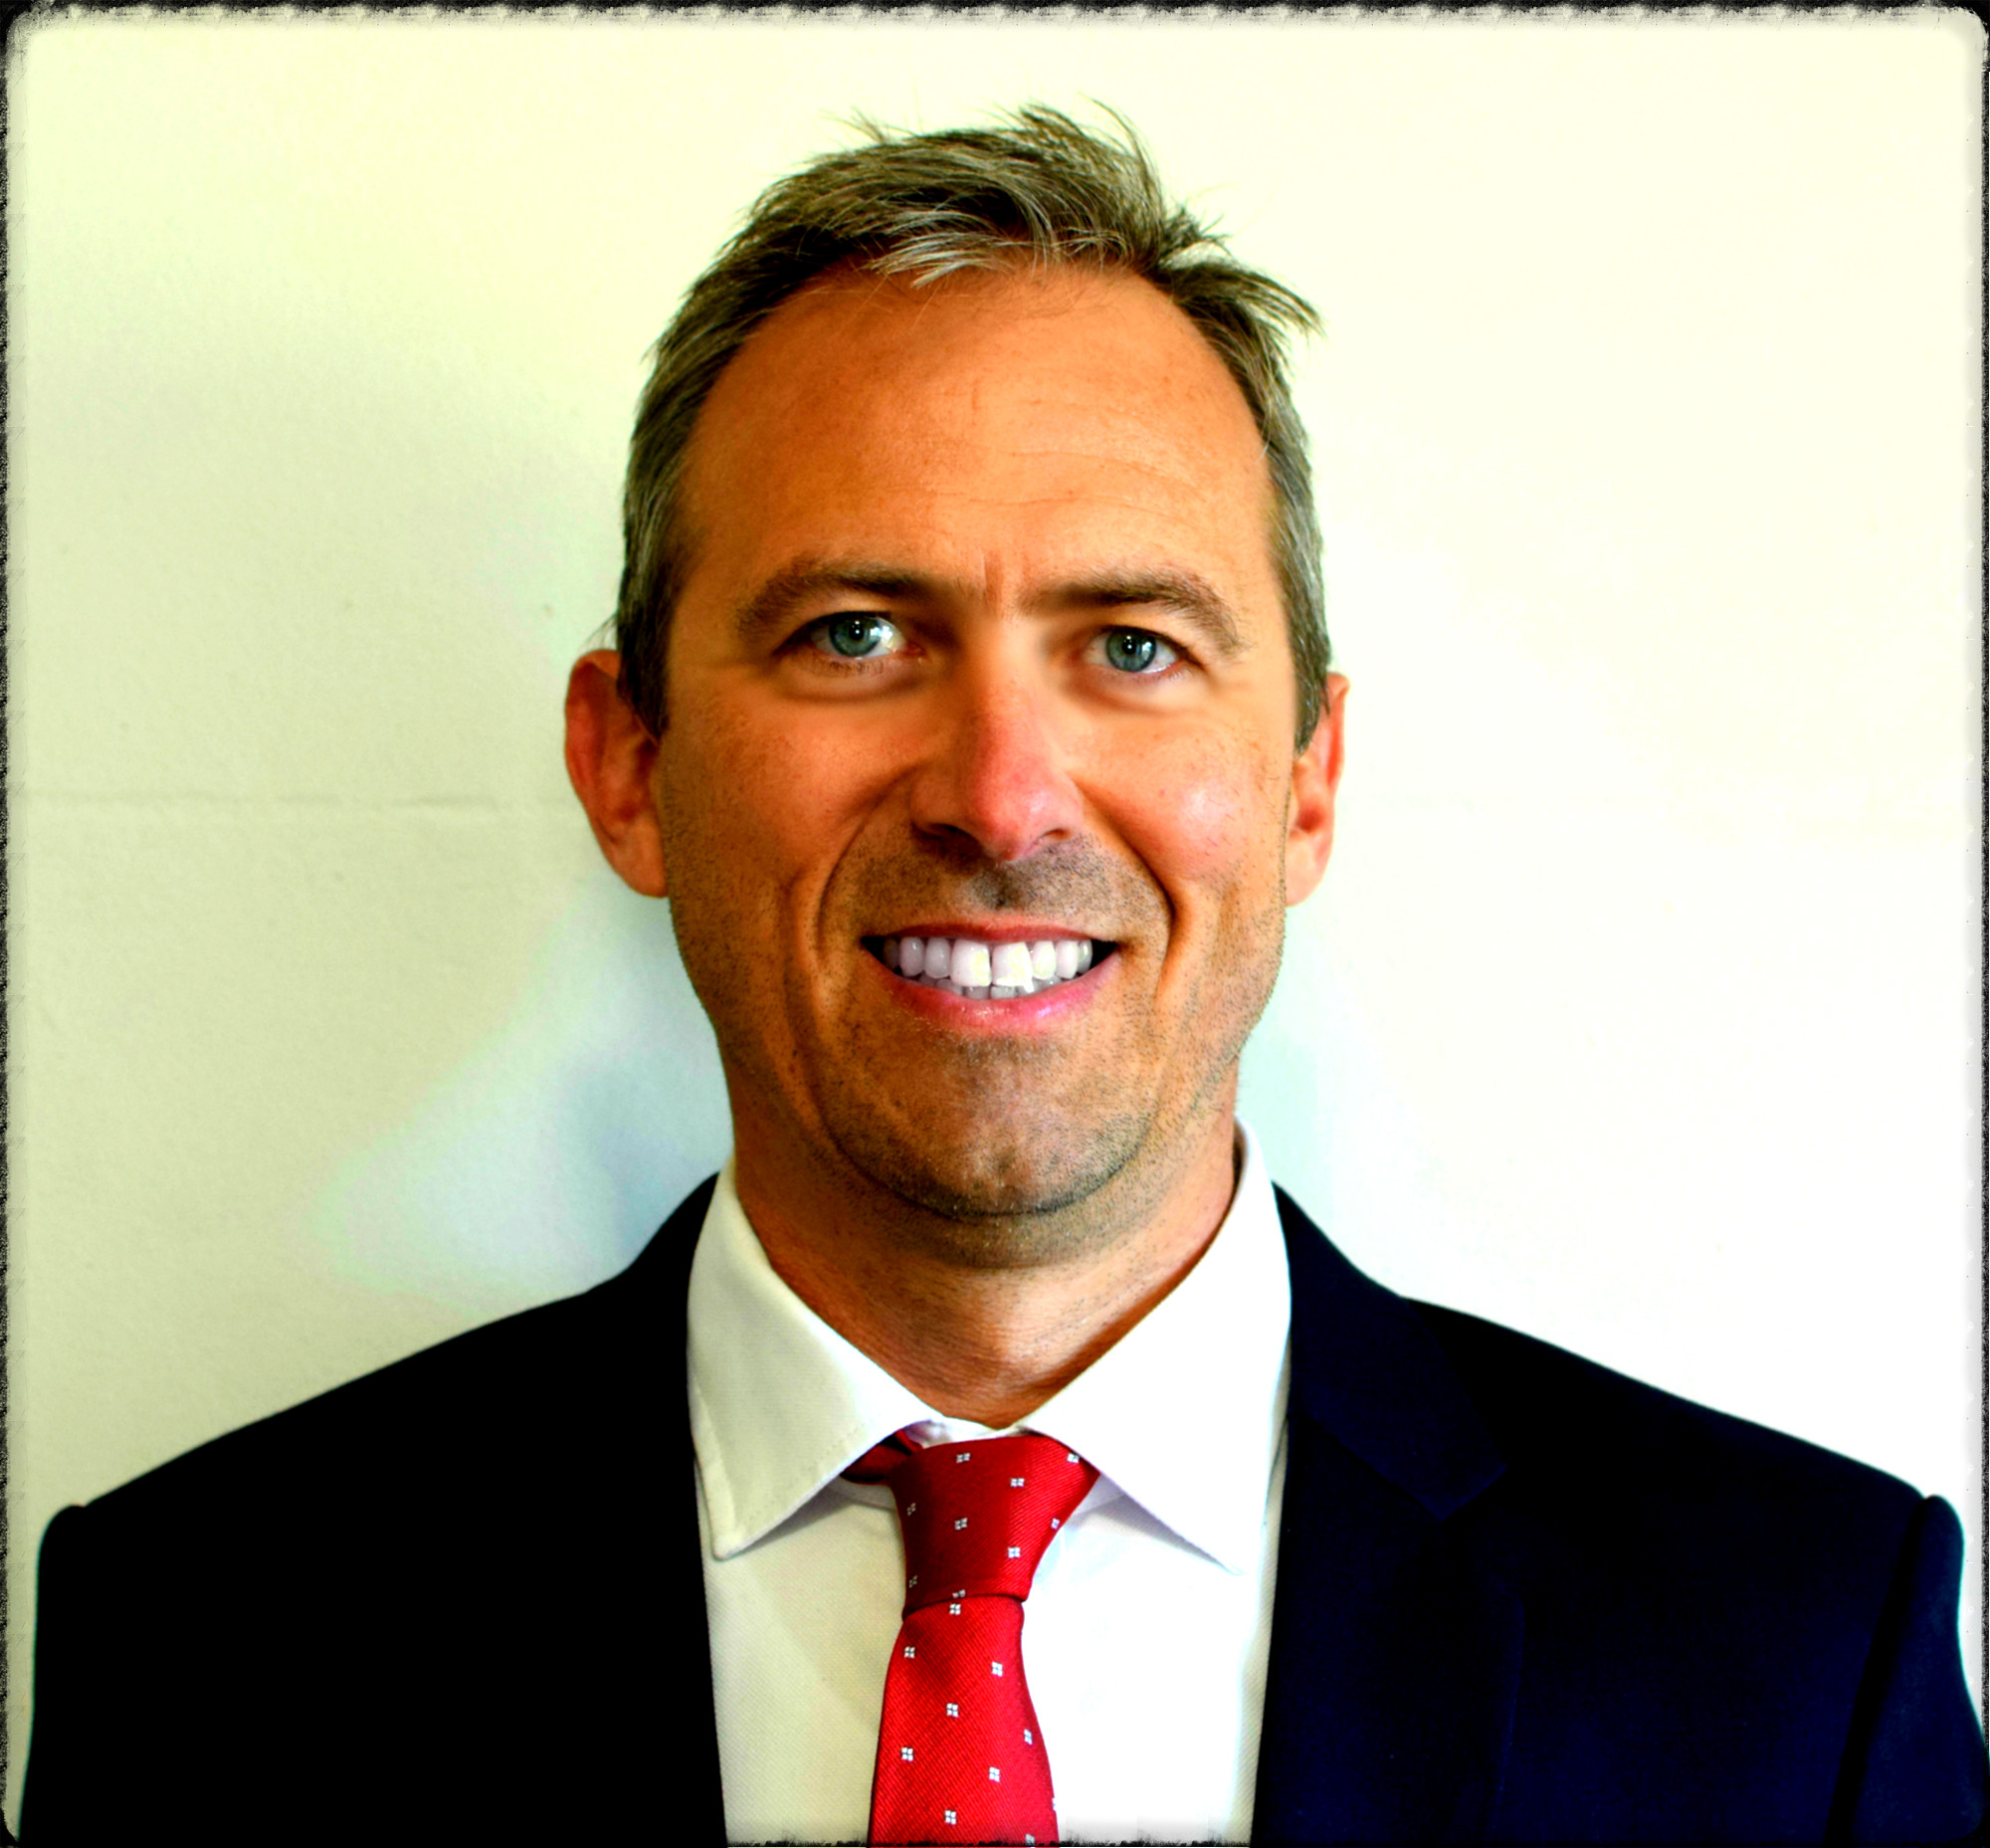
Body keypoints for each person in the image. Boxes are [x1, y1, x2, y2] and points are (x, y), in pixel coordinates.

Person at [21, 104, 1985, 1847]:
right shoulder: (207, 1638)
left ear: (1306, 780)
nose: (999, 791)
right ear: (628, 763)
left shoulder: (1799, 1651)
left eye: (1132, 644)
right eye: (856, 632)